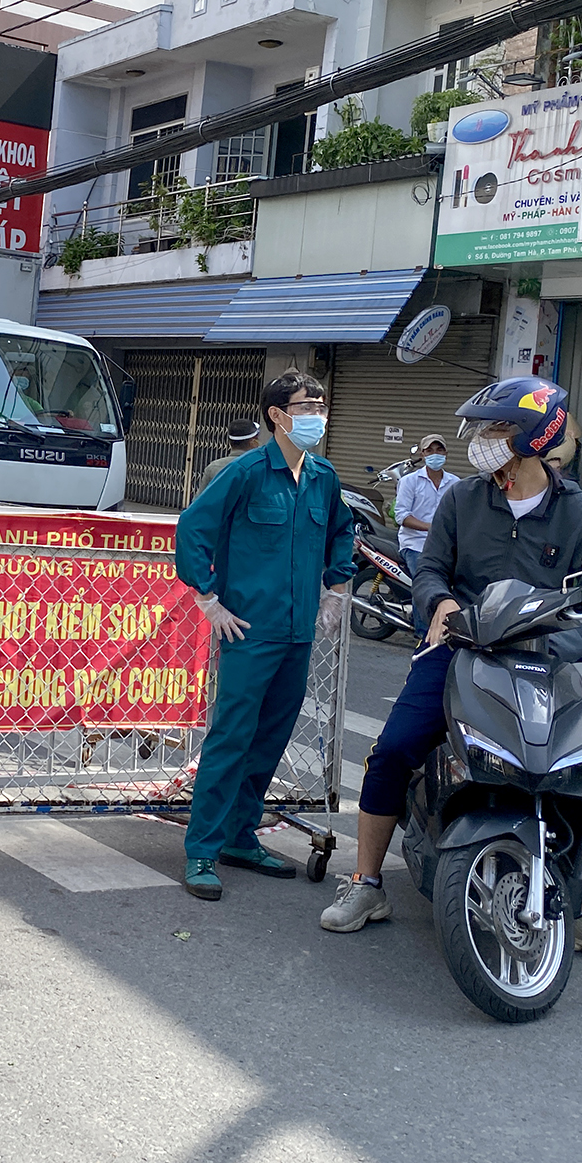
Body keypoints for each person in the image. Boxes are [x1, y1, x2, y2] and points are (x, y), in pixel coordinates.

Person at [317, 376, 582, 970]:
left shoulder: (579, 515)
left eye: (496, 429)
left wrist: (556, 642)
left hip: (545, 665)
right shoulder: (463, 500)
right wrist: (439, 605)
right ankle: (366, 882)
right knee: (393, 750)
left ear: (532, 436)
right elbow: (430, 571)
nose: (483, 441)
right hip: (459, 650)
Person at [174, 371, 354, 900]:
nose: (316, 413)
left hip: (298, 634)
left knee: (270, 737)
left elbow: (342, 531)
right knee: (232, 737)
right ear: (277, 415)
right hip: (250, 630)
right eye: (306, 405)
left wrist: (337, 587)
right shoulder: (247, 471)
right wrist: (208, 599)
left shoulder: (323, 475)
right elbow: (193, 527)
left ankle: (240, 835)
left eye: (321, 403)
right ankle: (202, 849)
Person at [394, 433, 458, 575]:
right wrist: (431, 528)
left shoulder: (455, 483)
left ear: (446, 453)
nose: (435, 454)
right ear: (423, 455)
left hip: (445, 546)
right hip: (415, 545)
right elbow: (401, 516)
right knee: (425, 586)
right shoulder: (409, 481)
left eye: (439, 450)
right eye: (429, 450)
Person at [195, 418, 262, 496]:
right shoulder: (259, 469)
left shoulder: (214, 467)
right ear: (253, 442)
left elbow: (198, 503)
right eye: (257, 439)